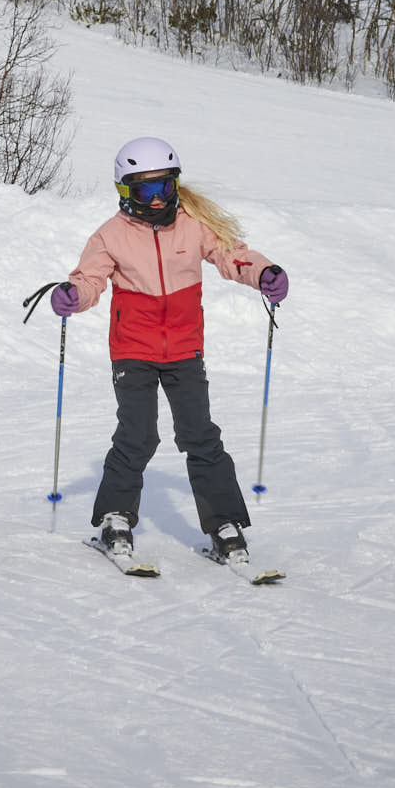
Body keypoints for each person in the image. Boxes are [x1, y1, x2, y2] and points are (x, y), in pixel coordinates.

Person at [49, 137, 290, 560]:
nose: (157, 199)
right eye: (146, 190)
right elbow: (89, 279)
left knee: (200, 436)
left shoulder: (192, 224)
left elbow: (233, 256)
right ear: (126, 191)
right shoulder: (110, 235)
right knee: (137, 436)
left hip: (184, 350)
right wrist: (73, 294)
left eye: (165, 187)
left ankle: (225, 525)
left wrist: (264, 272)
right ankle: (115, 517)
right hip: (133, 350)